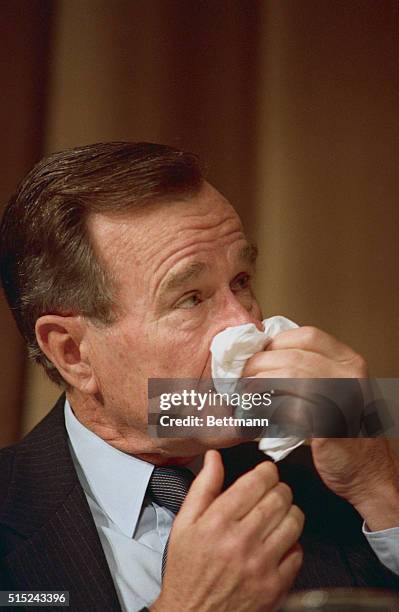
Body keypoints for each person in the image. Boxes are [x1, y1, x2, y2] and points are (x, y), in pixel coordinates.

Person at [0, 142, 399, 612]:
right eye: (191, 298)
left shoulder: (327, 481)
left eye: (242, 282)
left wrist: (378, 486)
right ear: (72, 353)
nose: (246, 325)